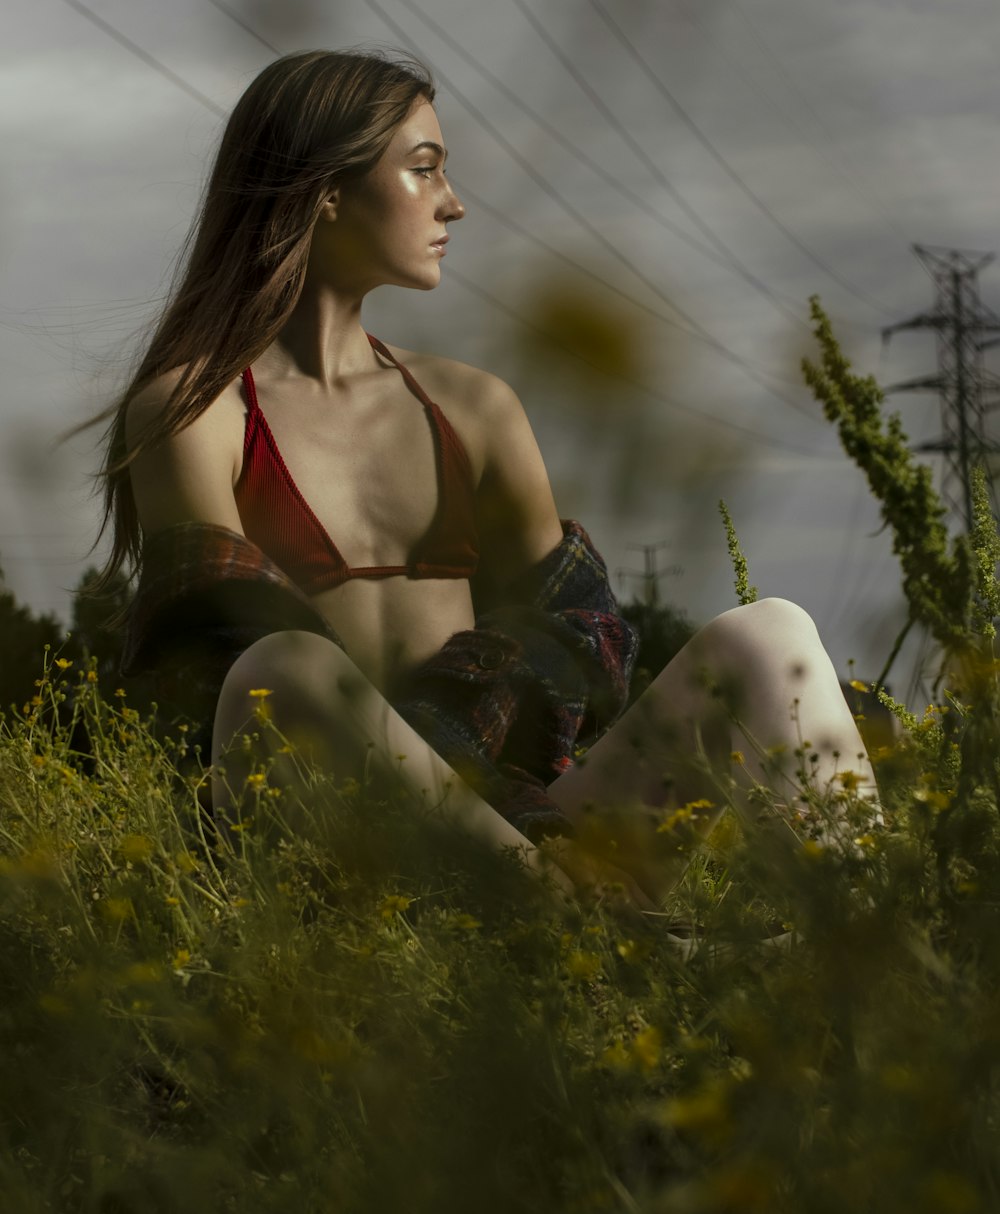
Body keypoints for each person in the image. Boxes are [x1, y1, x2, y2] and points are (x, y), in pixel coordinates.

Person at [94, 49, 881, 925]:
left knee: (771, 634)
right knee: (285, 668)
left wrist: (462, 736)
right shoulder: (195, 408)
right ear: (324, 189)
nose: (453, 201)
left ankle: (870, 966)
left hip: (508, 831)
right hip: (326, 848)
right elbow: (208, 658)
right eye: (424, 169)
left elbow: (587, 637)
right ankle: (603, 941)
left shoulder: (472, 407)